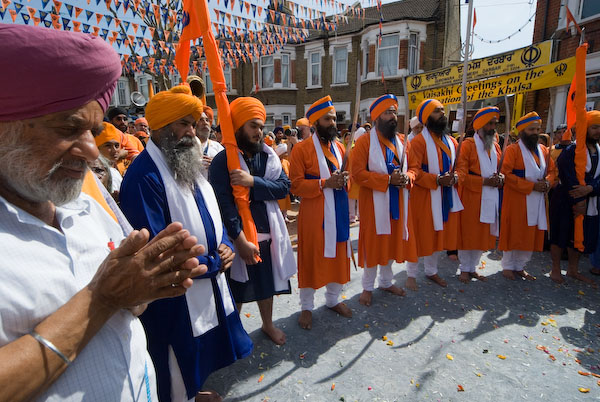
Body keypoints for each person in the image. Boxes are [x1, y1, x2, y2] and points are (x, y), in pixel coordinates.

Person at [0, 23, 207, 401]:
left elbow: (132, 306)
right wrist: (102, 299)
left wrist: (143, 284)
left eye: (93, 132)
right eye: (68, 127)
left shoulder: (88, 208)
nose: (92, 151)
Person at [120, 85, 252, 402]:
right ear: (160, 127)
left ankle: (192, 394)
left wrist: (225, 244)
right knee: (175, 364)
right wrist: (216, 260)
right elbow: (157, 250)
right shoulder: (143, 176)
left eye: (193, 124)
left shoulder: (183, 160)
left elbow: (211, 216)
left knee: (198, 356)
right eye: (184, 123)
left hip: (206, 278)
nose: (191, 132)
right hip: (173, 297)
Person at [210, 97, 296, 345]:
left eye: (261, 126)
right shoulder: (221, 162)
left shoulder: (268, 157)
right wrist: (240, 240)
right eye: (253, 126)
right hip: (238, 240)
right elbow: (224, 205)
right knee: (237, 289)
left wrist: (252, 183)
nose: (259, 132)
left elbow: (283, 188)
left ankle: (267, 325)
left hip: (268, 234)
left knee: (266, 285)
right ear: (238, 127)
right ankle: (232, 335)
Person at [289, 95, 352, 330]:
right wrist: (325, 183)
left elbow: (349, 176)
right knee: (311, 256)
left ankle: (333, 299)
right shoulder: (301, 149)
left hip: (338, 208)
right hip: (315, 213)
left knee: (337, 253)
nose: (333, 123)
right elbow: (295, 186)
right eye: (328, 119)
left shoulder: (340, 147)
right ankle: (306, 306)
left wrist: (344, 179)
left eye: (334, 119)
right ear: (315, 123)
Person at [350, 94, 417, 306]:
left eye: (394, 112)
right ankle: (367, 287)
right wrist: (387, 180)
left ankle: (386, 282)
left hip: (399, 201)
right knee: (374, 244)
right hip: (373, 204)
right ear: (377, 117)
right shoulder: (363, 143)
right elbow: (358, 173)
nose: (392, 116)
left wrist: (408, 177)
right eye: (387, 112)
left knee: (391, 242)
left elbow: (415, 168)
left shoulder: (403, 141)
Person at [405, 99, 463, 290]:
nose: (442, 114)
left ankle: (431, 271)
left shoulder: (452, 141)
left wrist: (455, 177)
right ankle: (411, 274)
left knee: (437, 233)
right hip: (423, 197)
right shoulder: (418, 142)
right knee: (419, 234)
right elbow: (415, 170)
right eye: (438, 111)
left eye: (443, 111)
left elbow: (460, 167)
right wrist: (437, 180)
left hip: (445, 194)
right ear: (427, 117)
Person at [499, 112, 556, 280]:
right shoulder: (512, 150)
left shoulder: (543, 150)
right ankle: (508, 266)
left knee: (530, 233)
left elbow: (552, 171)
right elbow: (506, 175)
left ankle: (520, 266)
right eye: (531, 129)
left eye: (538, 129)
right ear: (522, 131)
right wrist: (531, 186)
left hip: (537, 200)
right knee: (514, 231)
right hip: (517, 199)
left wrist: (547, 182)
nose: (535, 132)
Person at [549, 111, 600, 284]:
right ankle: (555, 269)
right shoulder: (571, 150)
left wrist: (590, 189)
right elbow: (567, 174)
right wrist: (578, 200)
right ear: (585, 128)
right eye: (594, 127)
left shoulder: (599, 151)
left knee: (578, 236)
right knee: (560, 234)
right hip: (566, 199)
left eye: (599, 128)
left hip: (589, 200)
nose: (597, 131)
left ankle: (573, 270)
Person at [456, 107, 504, 283]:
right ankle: (464, 268)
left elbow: (500, 169)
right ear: (479, 125)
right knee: (469, 233)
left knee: (483, 233)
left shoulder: (496, 146)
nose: (492, 127)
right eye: (489, 123)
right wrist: (483, 182)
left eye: (494, 124)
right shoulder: (467, 145)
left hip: (490, 196)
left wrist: (500, 177)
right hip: (471, 196)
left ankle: (472, 268)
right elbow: (461, 175)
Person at [95, 122, 124, 194]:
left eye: (117, 146)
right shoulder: (95, 173)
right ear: (96, 147)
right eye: (108, 146)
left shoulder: (114, 171)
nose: (114, 150)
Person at [196, 105, 224, 179]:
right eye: (201, 120)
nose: (205, 123)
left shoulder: (218, 147)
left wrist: (215, 164)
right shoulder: (186, 147)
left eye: (207, 120)